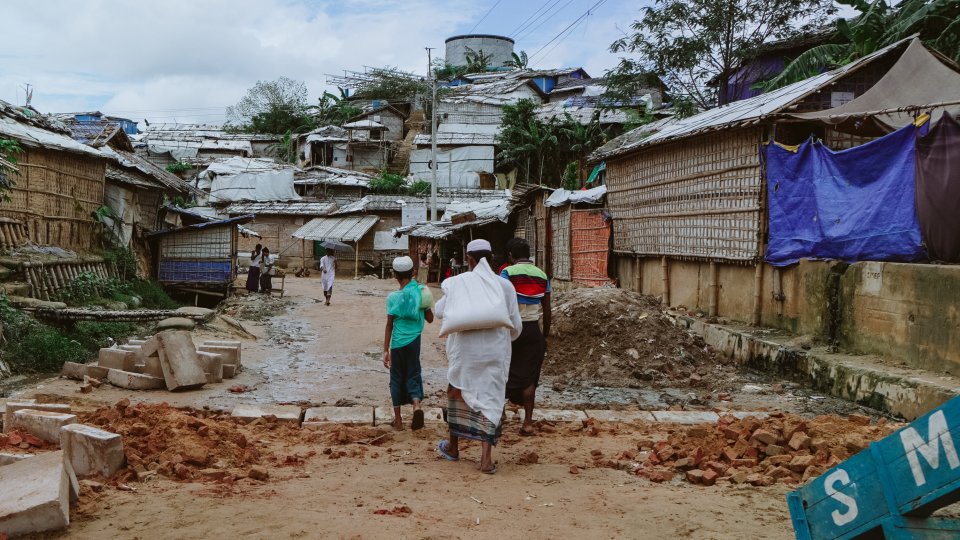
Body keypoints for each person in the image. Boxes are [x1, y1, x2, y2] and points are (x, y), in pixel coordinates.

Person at [434, 239, 522, 474]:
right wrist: (502, 343)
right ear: (491, 258)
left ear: (470, 260)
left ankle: (453, 447)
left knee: (457, 393)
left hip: (464, 354)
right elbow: (516, 325)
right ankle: (485, 460)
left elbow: (439, 311)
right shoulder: (504, 286)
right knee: (491, 400)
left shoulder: (458, 283)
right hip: (494, 353)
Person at [501, 238, 551, 436]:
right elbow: (547, 309)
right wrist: (544, 336)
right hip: (532, 329)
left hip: (511, 329)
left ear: (511, 256)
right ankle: (528, 423)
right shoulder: (542, 275)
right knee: (529, 378)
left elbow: (501, 301)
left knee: (503, 371)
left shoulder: (507, 273)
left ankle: (500, 414)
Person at [382, 256, 434, 431]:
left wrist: (385, 350)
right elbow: (431, 319)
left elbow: (389, 325)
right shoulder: (420, 292)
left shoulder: (392, 298)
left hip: (397, 343)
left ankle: (398, 421)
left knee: (395, 379)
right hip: (414, 342)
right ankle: (416, 405)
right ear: (413, 273)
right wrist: (423, 306)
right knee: (413, 373)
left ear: (395, 275)